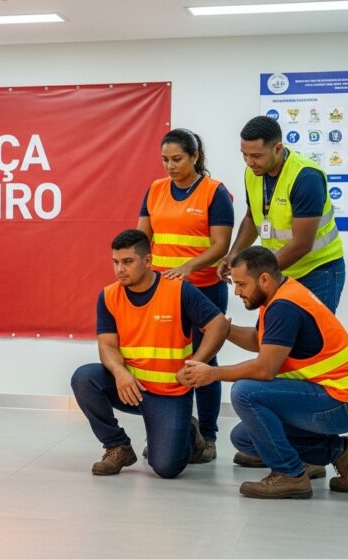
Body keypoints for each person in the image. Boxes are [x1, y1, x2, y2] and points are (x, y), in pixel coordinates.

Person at [180, 247, 348, 499]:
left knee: (245, 391)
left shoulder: (285, 306)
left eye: (240, 284)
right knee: (245, 438)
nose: (237, 291)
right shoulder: (278, 295)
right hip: (336, 397)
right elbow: (260, 340)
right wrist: (223, 329)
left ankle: (290, 475)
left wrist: (212, 373)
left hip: (343, 402)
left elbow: (265, 369)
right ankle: (342, 452)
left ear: (264, 279)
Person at [70, 229, 228, 479]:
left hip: (169, 392)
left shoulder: (178, 290)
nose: (120, 269)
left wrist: (195, 364)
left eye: (128, 262)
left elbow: (218, 325)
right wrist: (120, 373)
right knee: (84, 378)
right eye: (116, 262)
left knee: (166, 468)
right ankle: (117, 446)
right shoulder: (109, 296)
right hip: (131, 387)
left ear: (147, 261)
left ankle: (189, 432)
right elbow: (107, 346)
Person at [137, 128, 234, 462]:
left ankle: (207, 437)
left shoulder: (214, 192)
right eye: (165, 159)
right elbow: (142, 237)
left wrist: (190, 268)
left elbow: (221, 245)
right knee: (167, 360)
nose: (170, 166)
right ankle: (171, 431)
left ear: (195, 157)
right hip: (163, 290)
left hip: (204, 288)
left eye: (177, 159)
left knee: (202, 359)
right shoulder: (154, 190)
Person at [219, 116, 345, 312]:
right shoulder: (253, 172)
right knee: (275, 335)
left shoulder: (306, 177)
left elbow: (302, 244)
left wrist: (258, 275)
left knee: (311, 337)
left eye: (256, 156)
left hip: (317, 270)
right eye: (244, 155)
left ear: (278, 148)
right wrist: (233, 255)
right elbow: (252, 218)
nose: (249, 162)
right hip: (278, 269)